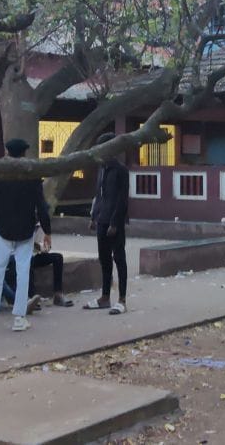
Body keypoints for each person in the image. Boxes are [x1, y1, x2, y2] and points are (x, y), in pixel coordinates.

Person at [0, 138, 51, 333]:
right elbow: (42, 206)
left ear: (7, 152)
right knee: (23, 272)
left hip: (3, 230)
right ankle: (19, 318)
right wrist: (47, 231)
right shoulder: (32, 177)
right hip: (26, 231)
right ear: (25, 153)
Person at [84, 132, 130, 315]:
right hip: (101, 219)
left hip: (114, 221)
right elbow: (99, 195)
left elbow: (122, 200)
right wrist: (93, 217)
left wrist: (115, 223)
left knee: (119, 258)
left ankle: (122, 300)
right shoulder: (102, 169)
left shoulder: (121, 170)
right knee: (104, 259)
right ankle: (104, 297)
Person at [4, 224, 73, 308]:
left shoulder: (39, 226)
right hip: (20, 257)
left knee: (58, 258)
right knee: (29, 261)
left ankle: (58, 294)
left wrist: (43, 247)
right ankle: (31, 298)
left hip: (34, 254)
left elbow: (38, 244)